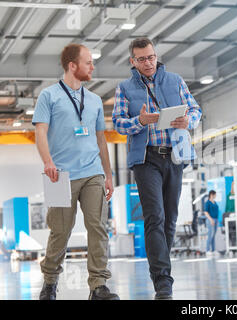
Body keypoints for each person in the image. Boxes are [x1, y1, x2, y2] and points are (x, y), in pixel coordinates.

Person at [112, 37, 202, 300]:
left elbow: (196, 109)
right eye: (141, 59)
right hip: (146, 160)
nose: (148, 62)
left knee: (170, 219)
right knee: (155, 217)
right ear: (133, 61)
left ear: (155, 55)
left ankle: (163, 270)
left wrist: (189, 120)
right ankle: (163, 282)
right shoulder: (124, 88)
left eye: (151, 57)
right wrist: (139, 120)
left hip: (174, 156)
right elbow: (118, 123)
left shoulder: (175, 81)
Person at [33, 44, 119, 300]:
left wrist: (108, 175)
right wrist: (47, 161)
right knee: (60, 231)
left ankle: (98, 285)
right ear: (72, 65)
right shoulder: (48, 96)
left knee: (98, 227)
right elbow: (40, 132)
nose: (93, 67)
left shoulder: (93, 100)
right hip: (60, 175)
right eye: (88, 62)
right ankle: (50, 281)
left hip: (93, 172)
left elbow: (101, 139)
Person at [204, 190, 219, 256]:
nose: (215, 196)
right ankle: (207, 250)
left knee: (213, 236)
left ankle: (213, 250)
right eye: (215, 194)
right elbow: (206, 212)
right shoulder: (208, 203)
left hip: (216, 220)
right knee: (210, 235)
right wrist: (211, 220)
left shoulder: (215, 202)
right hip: (210, 220)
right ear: (212, 194)